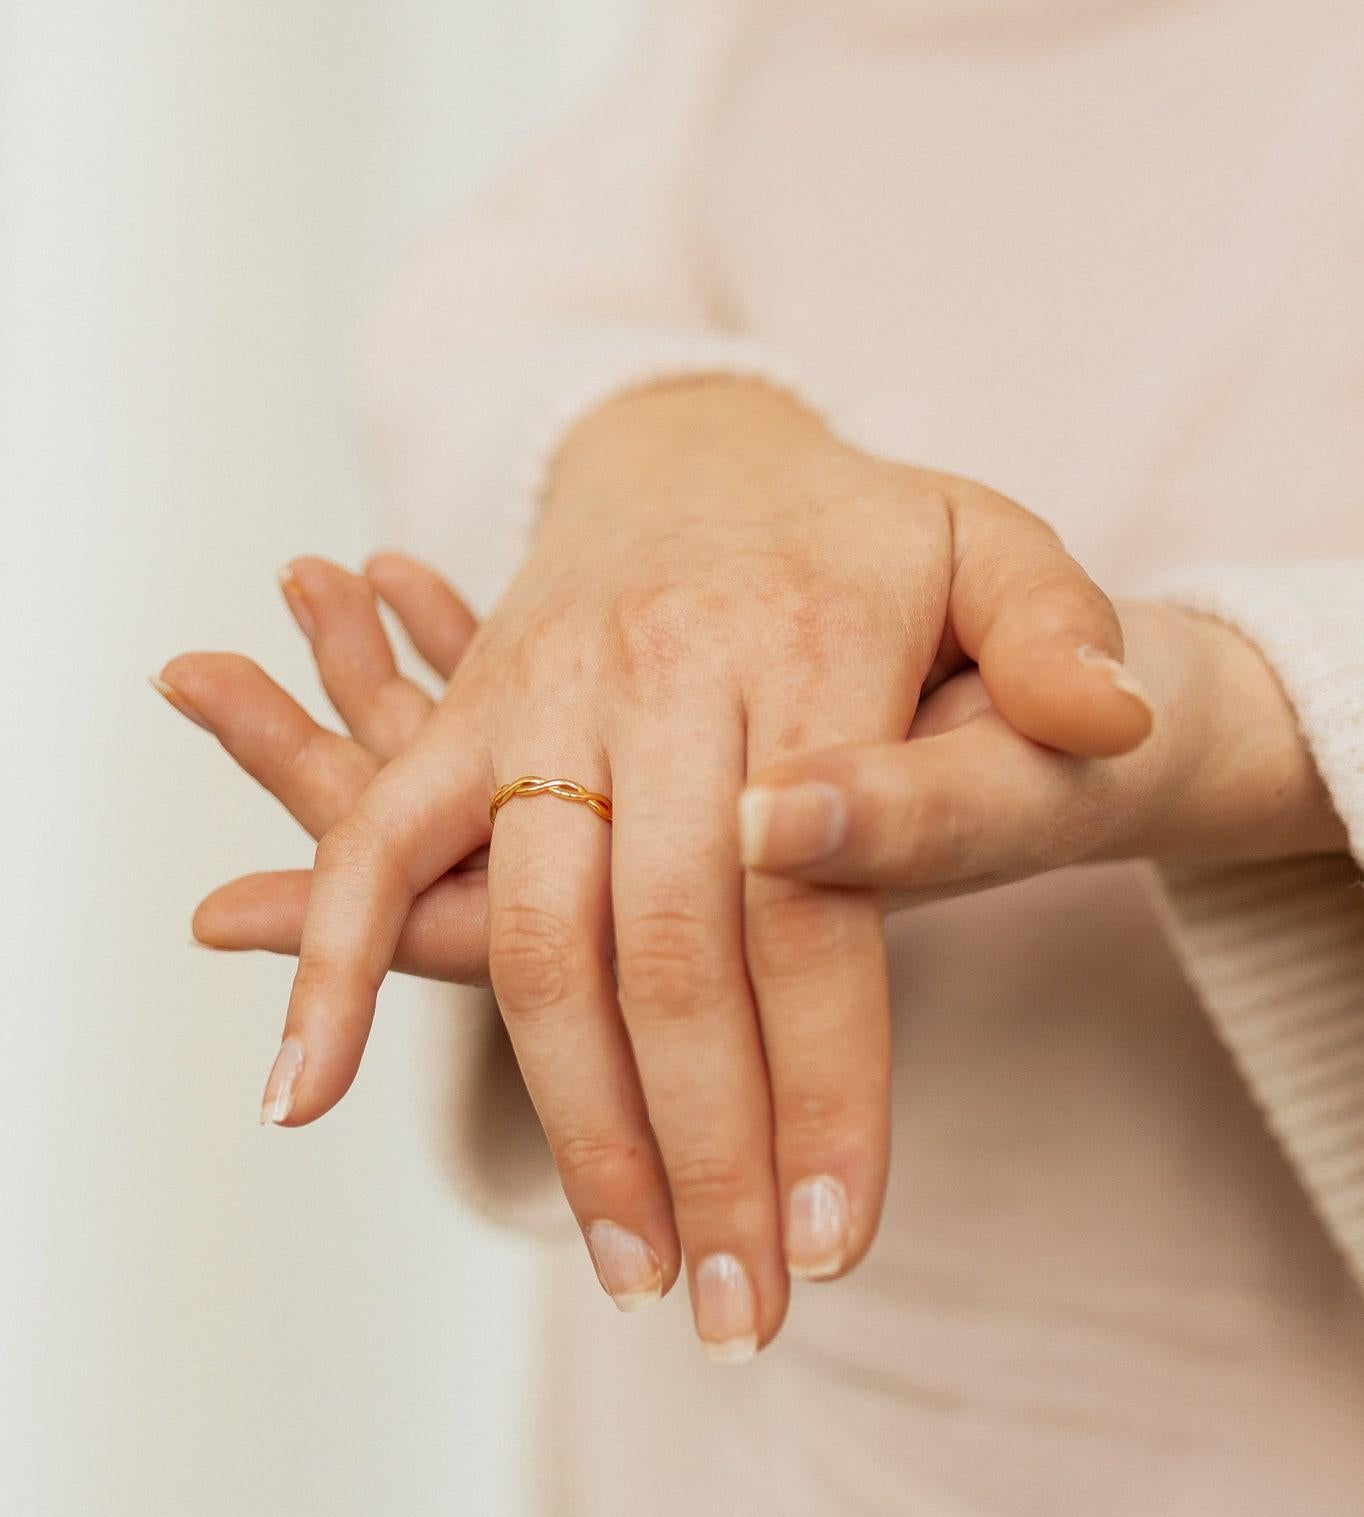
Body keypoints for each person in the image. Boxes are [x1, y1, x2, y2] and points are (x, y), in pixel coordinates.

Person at [153, 1, 1364, 1508]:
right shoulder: (748, 41)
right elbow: (484, 301)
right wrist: (665, 438)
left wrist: (1244, 713)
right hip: (759, 1432)